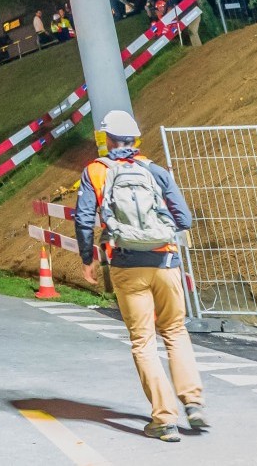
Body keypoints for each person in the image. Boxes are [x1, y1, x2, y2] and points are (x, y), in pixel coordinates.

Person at [74, 110, 206, 442]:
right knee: (175, 331)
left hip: (126, 264)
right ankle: (193, 401)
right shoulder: (156, 171)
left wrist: (87, 257)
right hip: (166, 262)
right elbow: (185, 218)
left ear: (107, 140)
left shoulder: (95, 171)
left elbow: (84, 218)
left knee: (143, 341)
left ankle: (164, 419)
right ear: (135, 140)